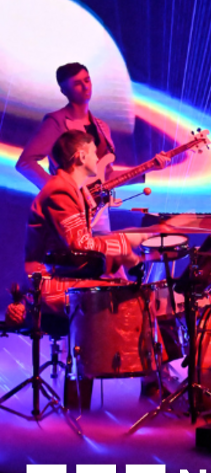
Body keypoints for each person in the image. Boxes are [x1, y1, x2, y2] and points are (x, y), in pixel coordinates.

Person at [24, 130, 148, 314]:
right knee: (132, 299)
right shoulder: (60, 191)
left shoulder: (74, 189)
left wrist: (124, 244)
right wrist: (123, 244)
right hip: (48, 281)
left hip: (65, 272)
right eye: (93, 152)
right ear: (81, 156)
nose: (97, 159)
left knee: (128, 288)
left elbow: (80, 242)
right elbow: (80, 244)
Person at [18, 63, 120, 232]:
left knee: (104, 256)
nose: (85, 86)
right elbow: (25, 162)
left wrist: (147, 172)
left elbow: (107, 174)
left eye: (87, 80)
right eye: (77, 83)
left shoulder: (102, 126)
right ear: (64, 91)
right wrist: (60, 192)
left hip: (99, 210)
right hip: (69, 211)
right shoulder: (56, 122)